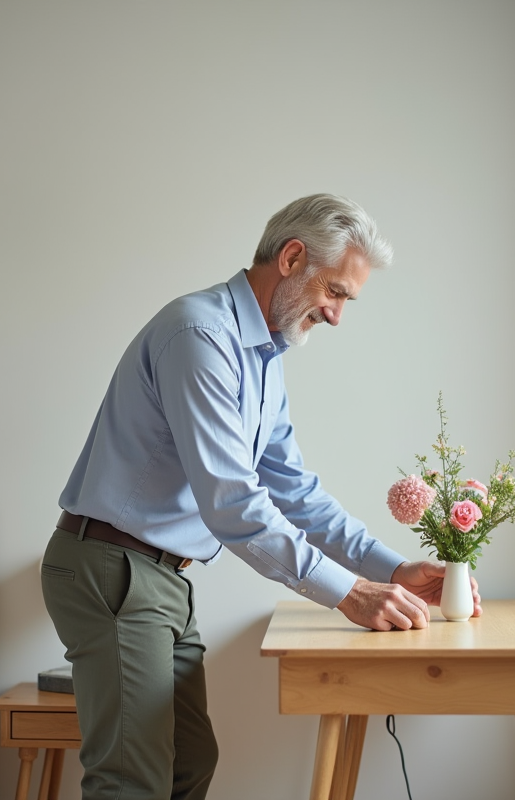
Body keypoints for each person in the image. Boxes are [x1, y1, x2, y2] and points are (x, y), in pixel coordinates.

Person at [41, 193, 482, 800]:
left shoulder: (264, 355)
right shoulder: (198, 334)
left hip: (160, 578)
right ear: (292, 256)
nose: (336, 316)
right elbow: (234, 505)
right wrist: (349, 593)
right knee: (131, 785)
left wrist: (395, 569)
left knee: (187, 767)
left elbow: (295, 492)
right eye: (336, 292)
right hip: (114, 570)